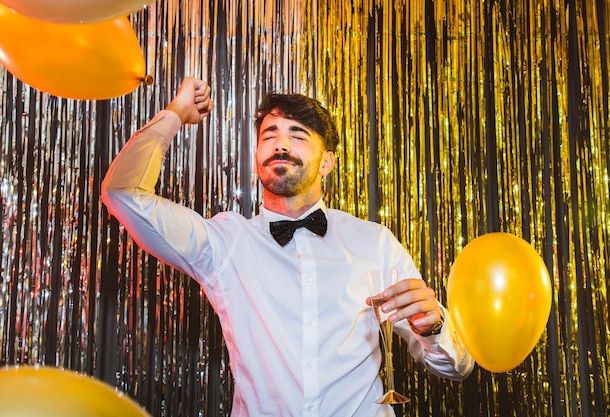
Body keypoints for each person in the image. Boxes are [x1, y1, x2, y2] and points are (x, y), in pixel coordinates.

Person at [102, 77, 474, 416]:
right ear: (257, 160)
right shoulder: (223, 243)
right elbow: (122, 192)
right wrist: (176, 114)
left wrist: (434, 327)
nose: (281, 143)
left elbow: (458, 367)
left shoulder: (374, 242)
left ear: (327, 162)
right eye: (269, 135)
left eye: (298, 135)